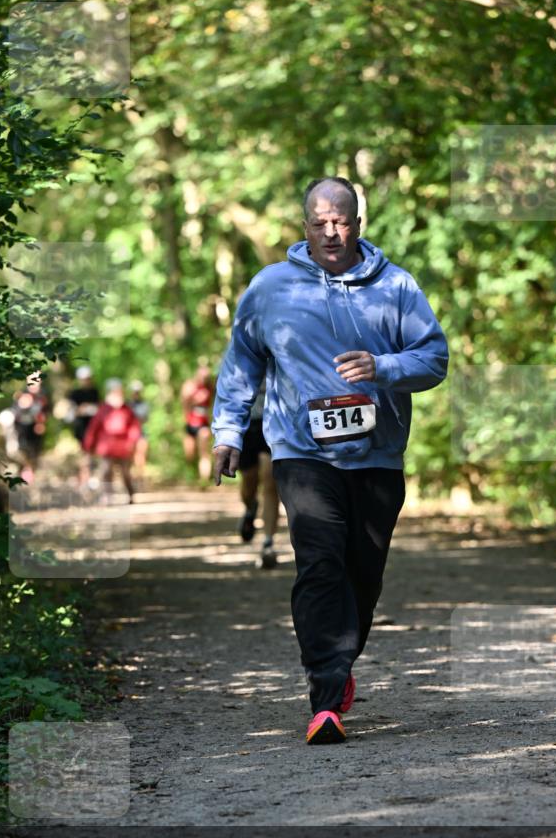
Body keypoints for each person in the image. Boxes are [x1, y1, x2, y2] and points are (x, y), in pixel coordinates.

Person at [212, 176, 448, 745]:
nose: (331, 231)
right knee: (319, 565)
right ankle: (326, 691)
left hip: (378, 457)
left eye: (340, 221)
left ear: (358, 224)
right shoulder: (271, 288)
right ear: (305, 227)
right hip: (302, 453)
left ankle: (338, 669)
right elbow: (241, 360)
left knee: (363, 576)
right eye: (319, 222)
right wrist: (229, 431)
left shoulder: (395, 286)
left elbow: (434, 358)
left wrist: (384, 368)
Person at [237, 380, 280, 569]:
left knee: (270, 482)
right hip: (247, 424)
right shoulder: (239, 354)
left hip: (274, 422)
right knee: (249, 483)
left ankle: (268, 542)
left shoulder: (285, 352)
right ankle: (250, 507)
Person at [82, 378, 141, 502]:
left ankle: (130, 494)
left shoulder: (127, 409)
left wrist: (133, 441)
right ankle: (107, 496)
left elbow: (134, 427)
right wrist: (88, 445)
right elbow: (94, 428)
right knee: (106, 471)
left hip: (123, 446)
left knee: (126, 473)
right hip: (107, 446)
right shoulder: (103, 409)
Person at [12, 372, 49, 483]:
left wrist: (41, 423)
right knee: (23, 448)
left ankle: (31, 471)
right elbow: (15, 411)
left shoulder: (43, 395)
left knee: (35, 449)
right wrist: (22, 404)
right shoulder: (22, 393)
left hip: (36, 428)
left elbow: (46, 411)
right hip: (22, 427)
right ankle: (26, 469)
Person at [66, 365, 100, 485]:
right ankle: (84, 479)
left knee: (92, 454)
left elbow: (99, 408)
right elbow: (70, 413)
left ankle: (91, 478)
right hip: (81, 428)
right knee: (85, 454)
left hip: (94, 428)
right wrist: (81, 409)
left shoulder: (95, 391)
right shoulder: (75, 393)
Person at [181, 363, 214, 483]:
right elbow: (184, 404)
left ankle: (204, 479)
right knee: (189, 454)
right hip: (190, 424)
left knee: (204, 453)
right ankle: (192, 475)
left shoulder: (210, 387)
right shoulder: (189, 386)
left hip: (203, 425)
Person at [127, 379, 150, 479]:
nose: (135, 393)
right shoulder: (126, 404)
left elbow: (143, 418)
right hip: (128, 434)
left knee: (140, 455)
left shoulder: (144, 405)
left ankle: (140, 477)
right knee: (129, 457)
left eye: (137, 391)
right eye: (134, 391)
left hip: (141, 433)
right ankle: (131, 478)